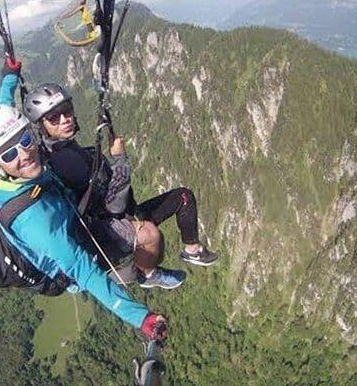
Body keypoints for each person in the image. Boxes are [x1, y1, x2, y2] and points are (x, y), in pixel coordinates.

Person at [0, 82, 166, 341]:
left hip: (68, 217)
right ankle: (130, 275)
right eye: (9, 156)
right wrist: (143, 318)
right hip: (69, 259)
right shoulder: (38, 223)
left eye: (26, 140)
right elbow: (85, 271)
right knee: (148, 236)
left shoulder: (4, 173)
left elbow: (3, 111)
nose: (25, 153)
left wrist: (9, 77)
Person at [18, 79, 219, 278]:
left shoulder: (51, 148)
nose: (65, 119)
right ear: (42, 126)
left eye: (67, 111)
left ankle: (192, 251)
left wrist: (10, 75)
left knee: (183, 197)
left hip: (111, 217)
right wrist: (119, 159)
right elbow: (115, 206)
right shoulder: (67, 161)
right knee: (164, 219)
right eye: (54, 118)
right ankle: (146, 273)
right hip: (110, 227)